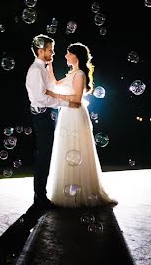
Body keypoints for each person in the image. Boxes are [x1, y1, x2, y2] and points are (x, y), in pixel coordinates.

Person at [43, 42, 117, 208]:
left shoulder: (80, 74)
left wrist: (54, 95)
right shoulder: (72, 73)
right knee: (67, 151)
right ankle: (68, 192)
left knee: (76, 150)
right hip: (67, 114)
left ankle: (81, 194)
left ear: (76, 56)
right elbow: (54, 83)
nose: (66, 56)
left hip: (75, 115)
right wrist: (49, 66)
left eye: (68, 53)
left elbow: (76, 100)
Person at [25, 34, 80, 209]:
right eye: (50, 49)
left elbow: (51, 90)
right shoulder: (35, 70)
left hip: (47, 115)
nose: (53, 53)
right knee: (43, 157)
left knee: (47, 156)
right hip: (41, 115)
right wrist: (66, 103)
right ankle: (39, 198)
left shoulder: (43, 68)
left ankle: (41, 195)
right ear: (41, 51)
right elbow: (41, 98)